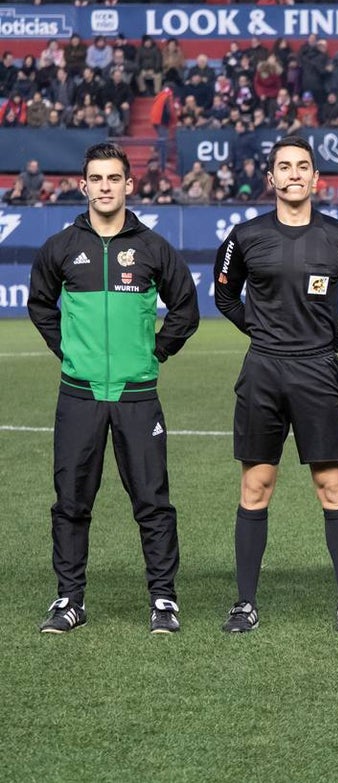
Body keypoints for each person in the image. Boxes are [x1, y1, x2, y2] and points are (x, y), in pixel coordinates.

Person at [28, 142, 199, 634]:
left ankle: (164, 601)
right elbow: (40, 305)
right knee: (71, 501)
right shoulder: (60, 248)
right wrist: (69, 352)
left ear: (128, 184)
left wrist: (156, 352)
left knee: (152, 501)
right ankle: (68, 601)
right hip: (78, 395)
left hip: (137, 395)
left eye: (113, 179)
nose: (105, 187)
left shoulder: (152, 248)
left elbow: (185, 308)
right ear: (84, 186)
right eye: (96, 179)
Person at [213, 135, 338, 634]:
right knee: (255, 484)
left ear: (315, 178)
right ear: (271, 178)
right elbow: (223, 294)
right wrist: (260, 333)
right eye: (283, 167)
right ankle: (244, 603)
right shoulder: (245, 236)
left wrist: (328, 343)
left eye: (302, 166)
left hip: (317, 372)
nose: (293, 175)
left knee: (331, 485)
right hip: (263, 371)